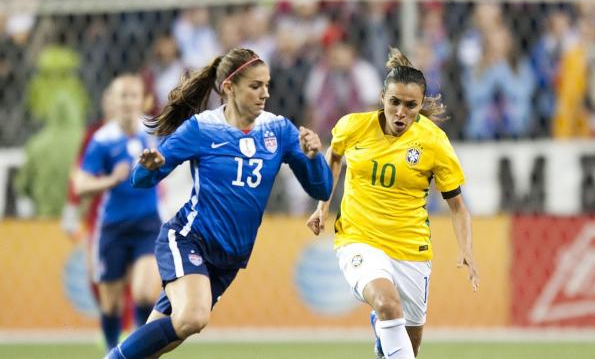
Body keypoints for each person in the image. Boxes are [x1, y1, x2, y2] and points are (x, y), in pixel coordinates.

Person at [105, 48, 332, 359]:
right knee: (193, 318)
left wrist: (313, 158)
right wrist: (149, 167)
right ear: (229, 87)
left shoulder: (278, 130)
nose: (265, 93)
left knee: (166, 336)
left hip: (228, 258)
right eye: (255, 86)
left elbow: (321, 186)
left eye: (267, 85)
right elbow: (140, 180)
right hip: (189, 239)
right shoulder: (202, 128)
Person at [307, 48, 479, 359]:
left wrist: (466, 248)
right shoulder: (353, 127)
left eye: (411, 105)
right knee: (386, 303)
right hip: (358, 239)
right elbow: (334, 157)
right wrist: (323, 205)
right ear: (382, 97)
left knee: (407, 348)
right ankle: (382, 316)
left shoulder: (434, 142)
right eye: (394, 102)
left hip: (411, 249)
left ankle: (382, 331)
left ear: (420, 104)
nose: (401, 112)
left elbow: (458, 207)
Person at [73, 75, 161, 351]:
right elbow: (81, 184)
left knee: (145, 292)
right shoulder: (102, 139)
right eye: (122, 96)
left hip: (147, 223)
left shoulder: (153, 133)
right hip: (113, 227)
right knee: (111, 303)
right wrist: (110, 180)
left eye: (133, 95)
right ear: (112, 101)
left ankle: (139, 350)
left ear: (142, 100)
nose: (127, 102)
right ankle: (113, 351)